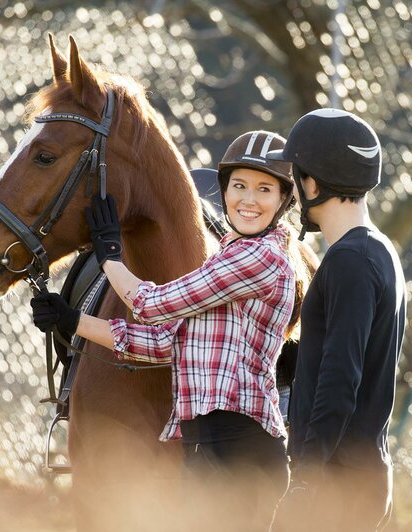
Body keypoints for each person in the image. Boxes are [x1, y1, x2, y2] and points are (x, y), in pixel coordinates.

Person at [30, 130, 311, 531]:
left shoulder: (260, 259)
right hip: (205, 447)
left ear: (284, 200)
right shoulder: (232, 255)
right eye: (239, 186)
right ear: (225, 190)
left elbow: (153, 304)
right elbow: (167, 343)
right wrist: (74, 322)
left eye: (264, 189)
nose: (249, 200)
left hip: (239, 451)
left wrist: (111, 257)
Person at [268, 109, 407, 532]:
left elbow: (340, 377)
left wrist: (306, 480)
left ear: (313, 183)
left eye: (295, 176)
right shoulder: (377, 252)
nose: (291, 188)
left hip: (335, 484)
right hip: (355, 477)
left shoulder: (349, 260)